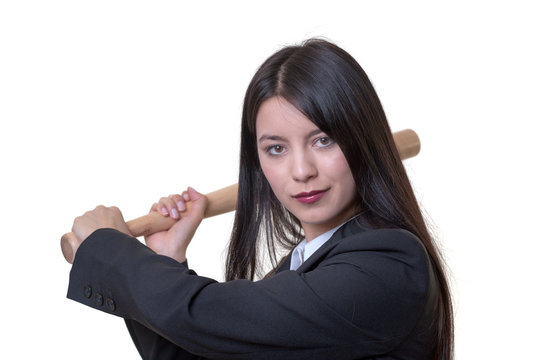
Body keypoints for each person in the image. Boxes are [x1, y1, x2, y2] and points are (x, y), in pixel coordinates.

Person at [67, 38, 454, 359]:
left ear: (362, 141)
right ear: (258, 162)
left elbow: (205, 315)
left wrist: (111, 249)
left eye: (323, 140)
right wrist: (167, 259)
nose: (301, 170)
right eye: (276, 149)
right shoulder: (301, 270)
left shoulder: (384, 267)